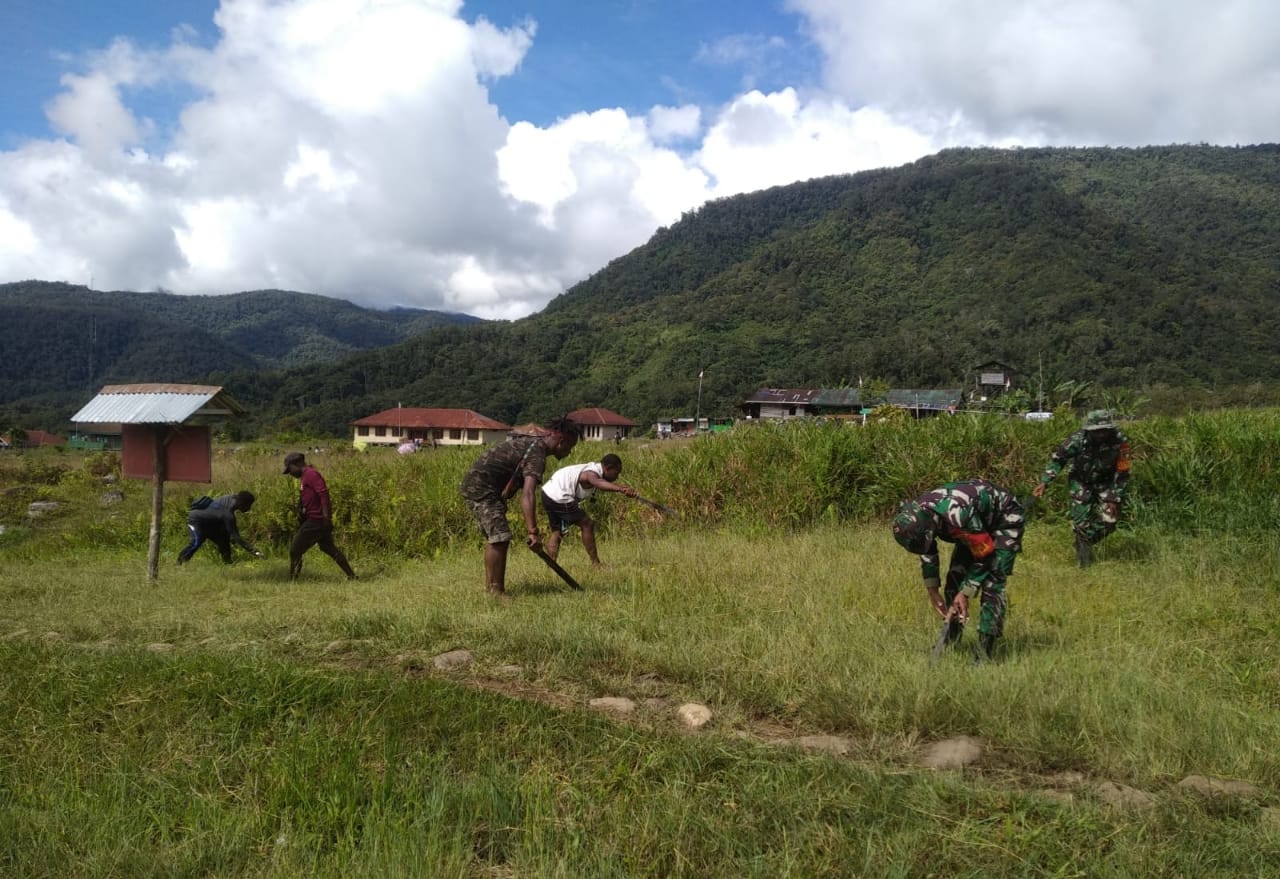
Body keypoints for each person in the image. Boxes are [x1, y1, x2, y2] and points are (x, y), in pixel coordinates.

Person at [892, 479, 1026, 659]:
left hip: (1003, 519)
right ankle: (951, 639)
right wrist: (932, 589)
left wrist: (966, 592)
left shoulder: (957, 514)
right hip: (973, 526)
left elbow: (986, 555)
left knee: (993, 582)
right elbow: (928, 550)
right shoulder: (919, 516)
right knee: (955, 579)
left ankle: (984, 651)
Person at [459, 418, 580, 597]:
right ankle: (496, 591)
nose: (569, 452)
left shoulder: (534, 445)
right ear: (562, 441)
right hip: (481, 488)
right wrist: (533, 532)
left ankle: (491, 588)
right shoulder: (537, 453)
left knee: (497, 538)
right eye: (570, 447)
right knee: (500, 537)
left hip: (485, 487)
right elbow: (528, 494)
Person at [1032, 409, 1131, 568]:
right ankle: (1084, 562)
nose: (1100, 435)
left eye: (1104, 431)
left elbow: (1123, 472)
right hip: (1081, 482)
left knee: (1110, 521)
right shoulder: (1076, 440)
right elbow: (1058, 460)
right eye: (1096, 431)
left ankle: (1084, 542)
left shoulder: (1120, 441)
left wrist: (1114, 497)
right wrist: (1045, 481)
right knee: (1081, 524)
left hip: (1106, 483)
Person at [541, 453, 638, 567]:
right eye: (616, 473)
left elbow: (599, 482)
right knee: (587, 524)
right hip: (560, 495)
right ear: (608, 468)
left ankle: (551, 567)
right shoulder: (592, 472)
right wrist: (620, 489)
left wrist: (620, 487)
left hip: (547, 493)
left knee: (557, 532)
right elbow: (597, 482)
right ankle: (596, 564)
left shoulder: (594, 470)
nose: (617, 476)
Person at [282, 452, 357, 581]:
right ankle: (352, 576)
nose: (290, 473)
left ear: (297, 464)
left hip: (316, 520)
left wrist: (326, 518)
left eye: (290, 469)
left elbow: (324, 495)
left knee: (295, 550)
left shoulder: (311, 474)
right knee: (328, 548)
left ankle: (293, 581)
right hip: (317, 519)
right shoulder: (305, 477)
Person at [177, 491, 263, 564]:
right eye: (248, 505)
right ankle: (180, 562)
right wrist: (254, 551)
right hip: (196, 520)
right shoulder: (228, 515)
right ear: (242, 503)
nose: (249, 508)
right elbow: (237, 538)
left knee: (224, 540)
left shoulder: (229, 498)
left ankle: (228, 563)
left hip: (211, 523)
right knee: (196, 541)